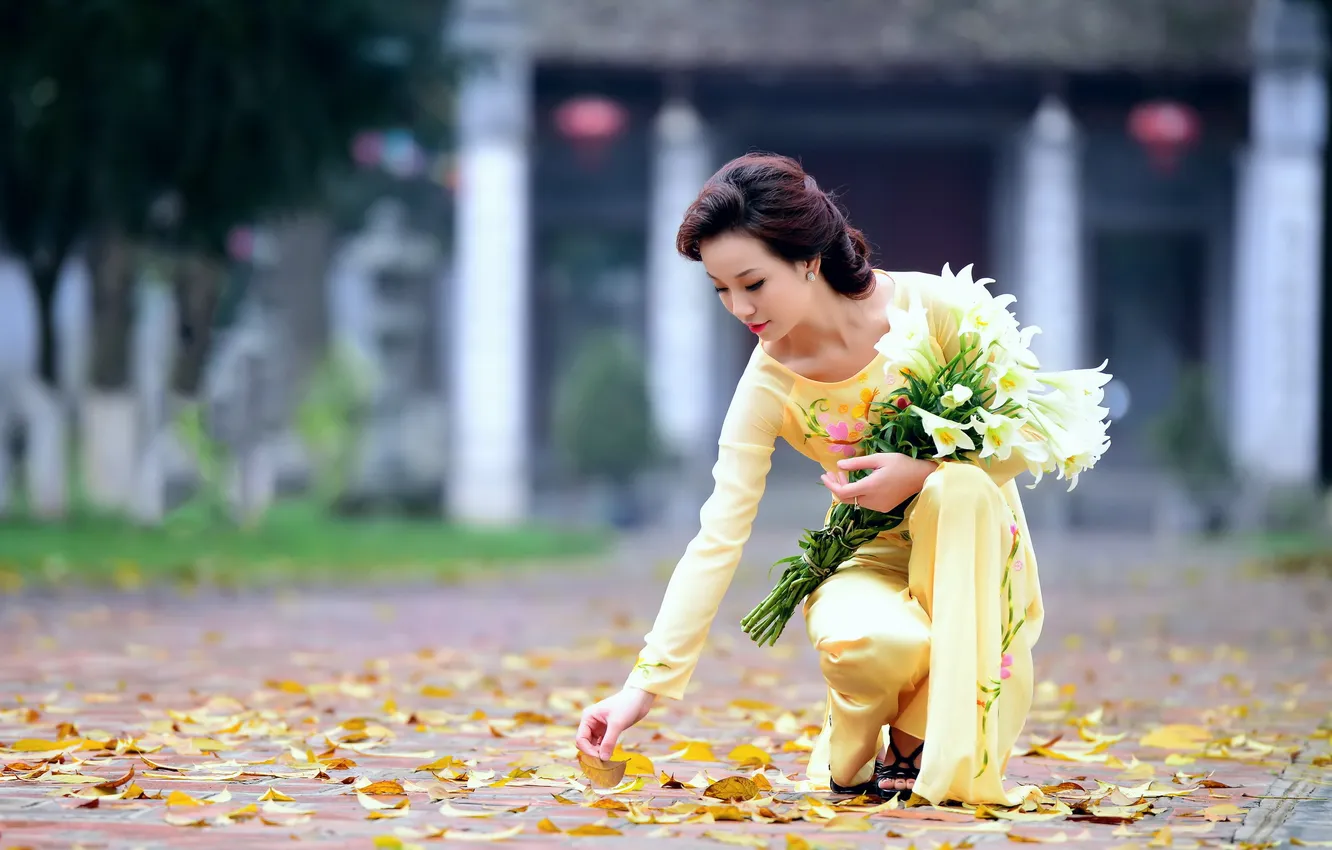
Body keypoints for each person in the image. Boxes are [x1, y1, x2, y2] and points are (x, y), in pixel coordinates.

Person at [575, 152, 1045, 807]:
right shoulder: (769, 382)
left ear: (807, 258)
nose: (739, 307)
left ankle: (911, 743)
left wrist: (926, 470)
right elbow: (718, 537)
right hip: (866, 553)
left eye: (752, 282)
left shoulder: (937, 308)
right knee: (867, 644)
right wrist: (641, 688)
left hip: (971, 544)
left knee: (958, 488)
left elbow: (1040, 431)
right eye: (721, 290)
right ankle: (852, 745)